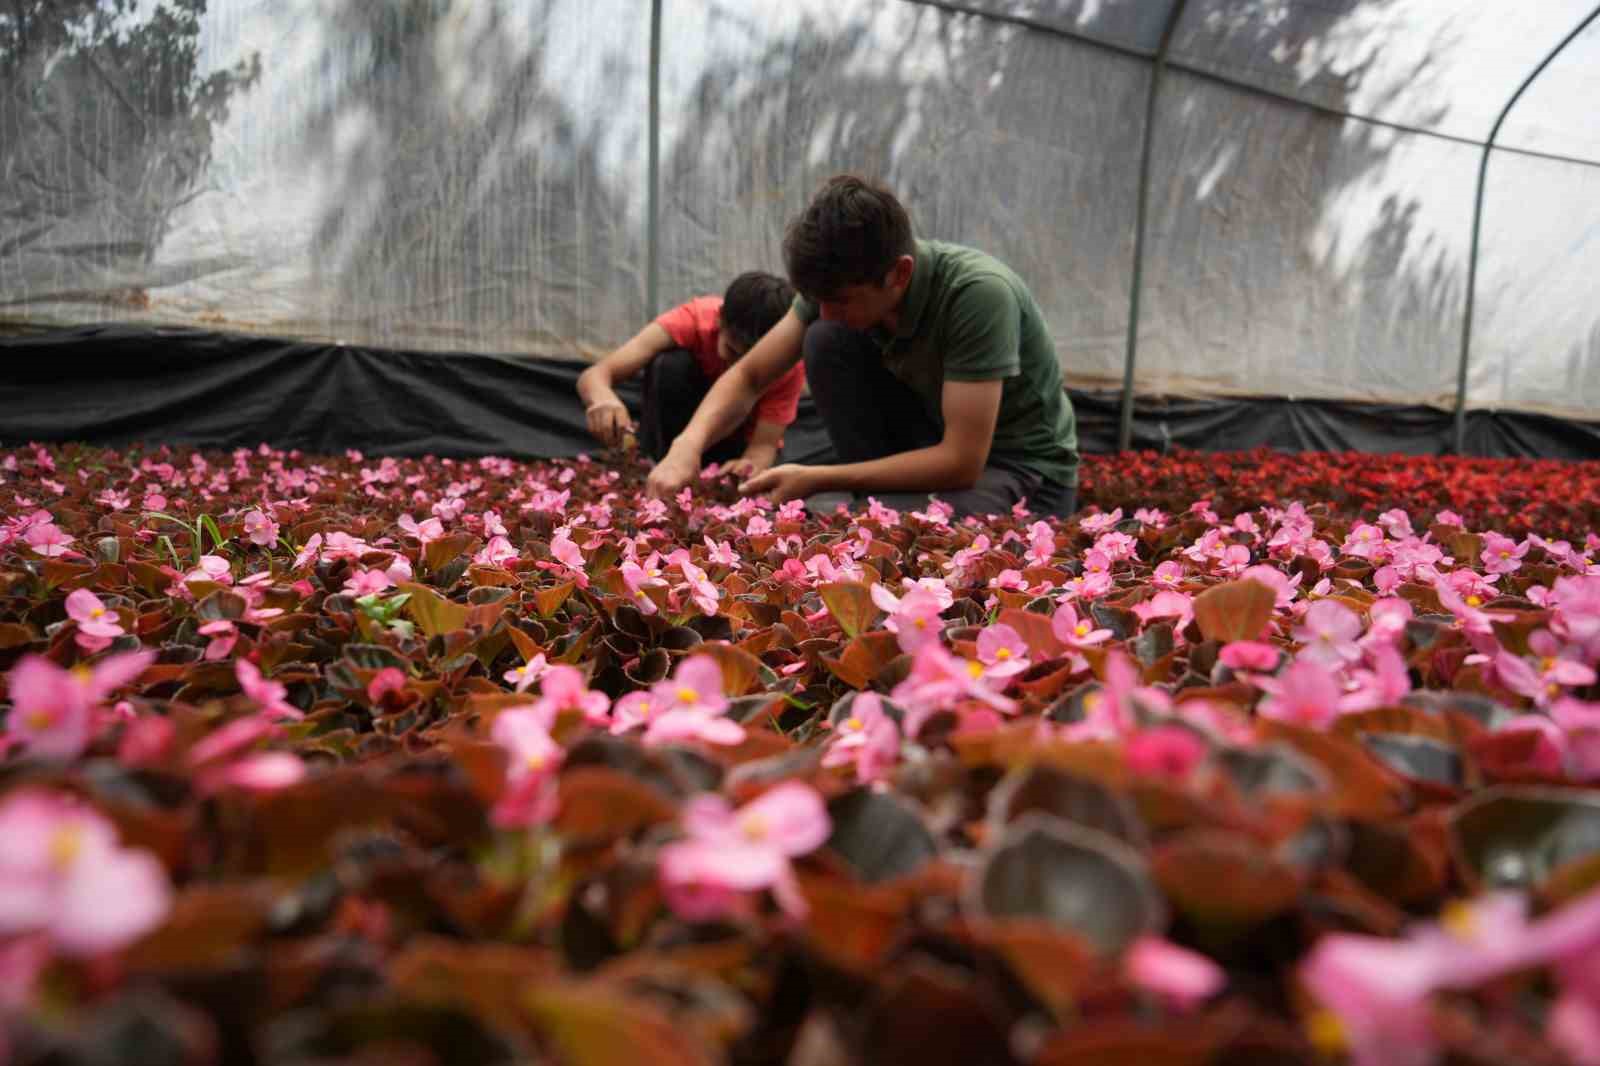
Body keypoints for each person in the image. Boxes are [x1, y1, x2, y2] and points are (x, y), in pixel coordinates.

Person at [644, 175, 1078, 517]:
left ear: (899, 274)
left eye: (840, 300)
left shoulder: (978, 296)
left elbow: (963, 461)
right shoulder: (838, 289)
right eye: (819, 299)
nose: (826, 310)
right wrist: (686, 447)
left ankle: (875, 503)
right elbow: (750, 374)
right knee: (826, 339)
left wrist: (820, 478)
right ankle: (876, 498)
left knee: (870, 523)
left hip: (1020, 471)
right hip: (934, 439)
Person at [577, 271, 803, 477]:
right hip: (672, 435)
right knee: (670, 364)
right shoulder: (693, 319)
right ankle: (658, 462)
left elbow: (763, 445)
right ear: (719, 318)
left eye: (752, 361)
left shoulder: (786, 363)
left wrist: (746, 468)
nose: (740, 369)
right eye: (731, 351)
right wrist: (603, 399)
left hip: (733, 445)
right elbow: (597, 374)